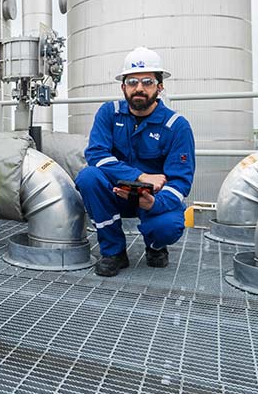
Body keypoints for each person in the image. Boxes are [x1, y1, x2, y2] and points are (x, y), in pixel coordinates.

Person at [75, 47, 195, 276]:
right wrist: (139, 177)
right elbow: (96, 155)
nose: (139, 88)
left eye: (147, 81)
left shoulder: (177, 126)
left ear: (160, 87)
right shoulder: (109, 113)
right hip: (116, 192)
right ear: (123, 87)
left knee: (168, 227)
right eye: (132, 82)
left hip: (153, 198)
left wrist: (155, 203)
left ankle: (155, 246)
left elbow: (180, 181)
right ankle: (114, 252)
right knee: (88, 177)